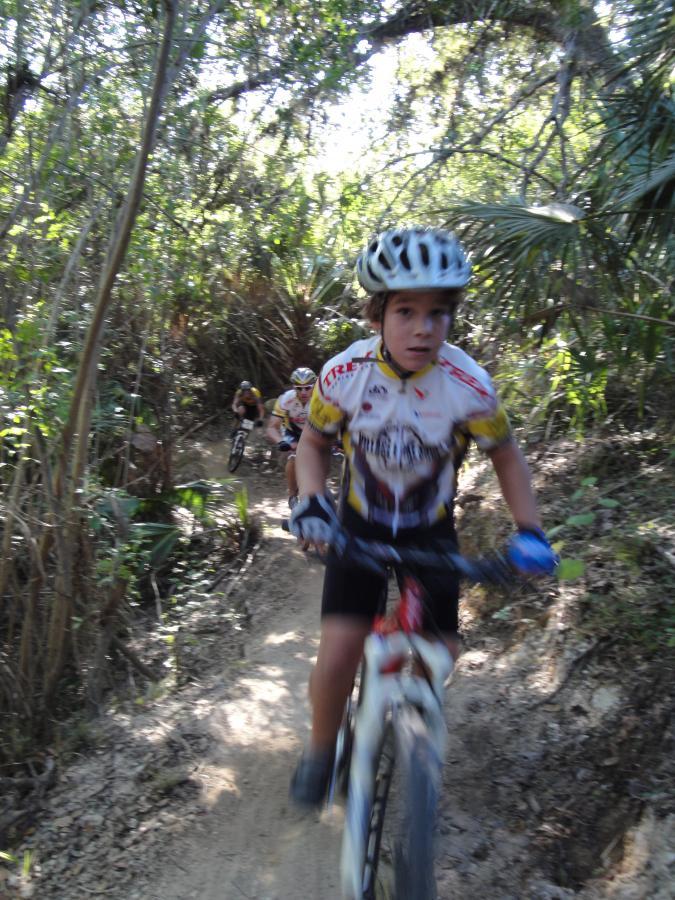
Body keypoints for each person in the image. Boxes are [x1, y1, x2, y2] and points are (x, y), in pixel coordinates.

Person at [287, 226, 558, 806]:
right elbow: (311, 444)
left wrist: (530, 530)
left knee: (441, 654)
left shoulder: (469, 386)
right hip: (358, 526)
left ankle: (408, 725)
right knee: (339, 648)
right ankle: (321, 749)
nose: (422, 328)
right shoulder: (344, 374)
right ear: (376, 315)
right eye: (405, 311)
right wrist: (311, 502)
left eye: (438, 313)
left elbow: (506, 456)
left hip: (430, 532)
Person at [266, 367, 317, 508]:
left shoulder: (321, 398)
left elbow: (333, 420)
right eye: (299, 389)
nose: (304, 392)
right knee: (293, 458)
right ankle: (292, 496)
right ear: (294, 388)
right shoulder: (286, 399)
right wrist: (280, 441)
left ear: (314, 386)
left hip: (312, 430)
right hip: (291, 431)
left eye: (308, 388)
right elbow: (272, 427)